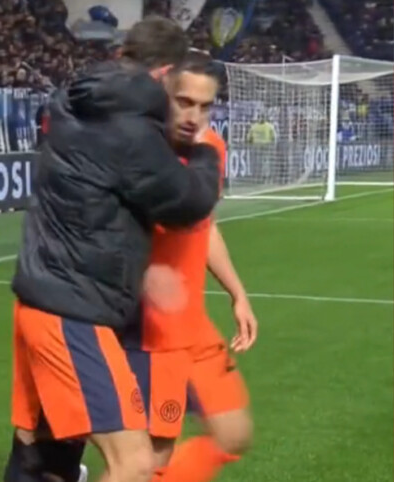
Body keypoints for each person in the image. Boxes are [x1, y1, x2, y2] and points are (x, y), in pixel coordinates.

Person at [4, 15, 223, 482]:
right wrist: (205, 155)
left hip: (45, 295)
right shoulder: (131, 130)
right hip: (73, 310)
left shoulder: (74, 99)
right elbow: (187, 203)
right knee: (134, 464)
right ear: (164, 74)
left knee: (44, 454)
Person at [138, 50, 257, 482]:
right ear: (164, 93)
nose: (193, 116)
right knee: (155, 454)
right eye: (184, 102)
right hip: (153, 333)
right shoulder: (141, 154)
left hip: (196, 326)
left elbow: (206, 225)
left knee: (234, 433)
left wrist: (237, 293)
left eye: (205, 107)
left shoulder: (211, 150)